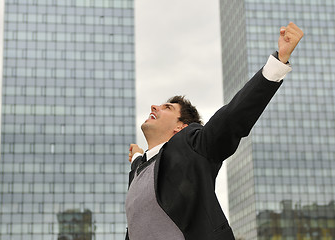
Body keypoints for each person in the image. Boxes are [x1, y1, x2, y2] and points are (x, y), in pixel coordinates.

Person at [125, 22, 303, 240]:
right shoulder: (138, 172)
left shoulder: (191, 146)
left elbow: (231, 119)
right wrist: (137, 156)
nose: (154, 107)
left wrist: (277, 64)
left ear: (180, 128)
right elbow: (143, 171)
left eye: (167, 107)